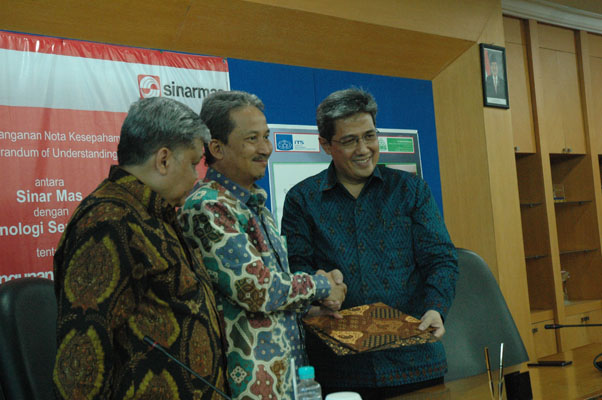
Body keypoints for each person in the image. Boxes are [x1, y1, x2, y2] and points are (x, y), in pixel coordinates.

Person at [281, 88, 459, 400]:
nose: (363, 149)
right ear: (325, 144)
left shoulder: (411, 191)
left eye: (370, 136)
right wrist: (318, 293)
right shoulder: (302, 200)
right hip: (341, 370)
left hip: (414, 363)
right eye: (350, 140)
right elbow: (298, 269)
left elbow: (441, 259)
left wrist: (436, 308)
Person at [53, 97, 228, 399]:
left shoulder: (154, 214)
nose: (195, 177)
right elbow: (82, 357)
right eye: (192, 163)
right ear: (163, 160)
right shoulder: (108, 222)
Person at [178, 90, 346, 400]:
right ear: (216, 148)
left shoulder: (256, 206)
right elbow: (257, 288)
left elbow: (273, 294)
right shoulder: (207, 206)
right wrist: (322, 286)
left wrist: (311, 308)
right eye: (252, 139)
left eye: (266, 137)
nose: (266, 148)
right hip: (246, 385)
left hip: (287, 379)